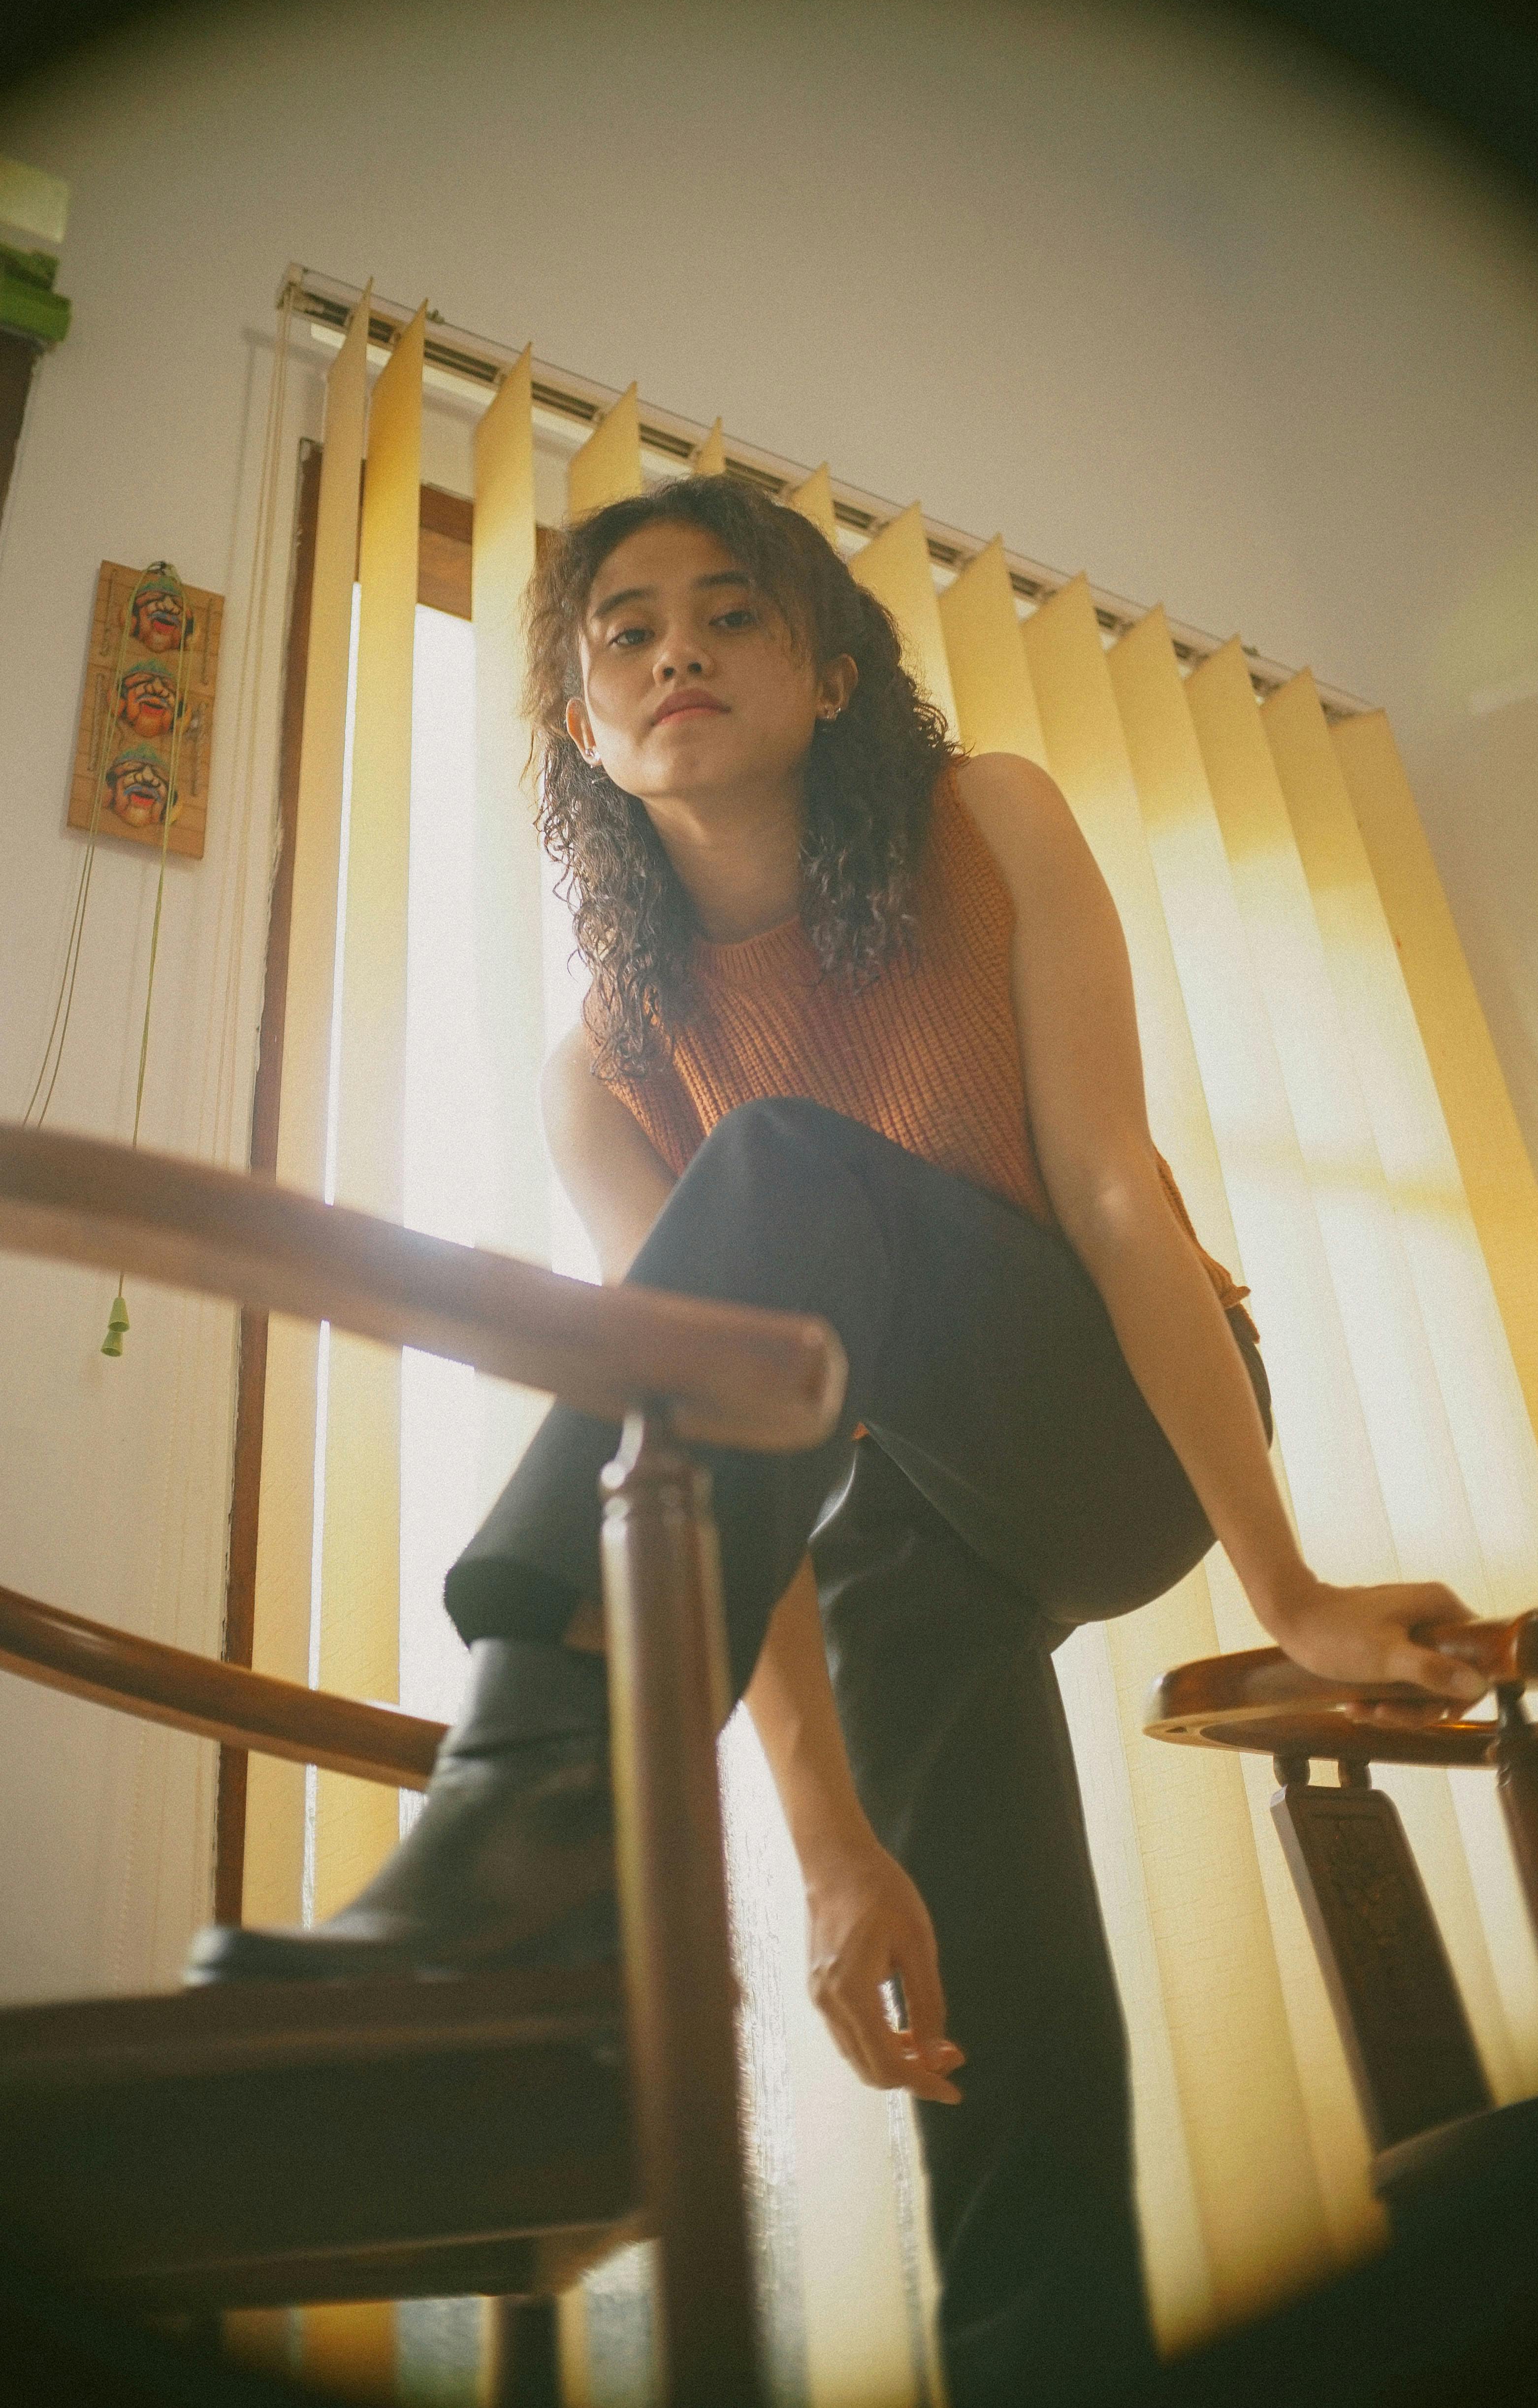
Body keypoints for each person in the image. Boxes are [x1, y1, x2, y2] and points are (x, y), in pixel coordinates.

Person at [189, 474, 1488, 2405]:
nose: (674, 651)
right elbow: (715, 1456)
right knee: (993, 2042)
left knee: (780, 1169)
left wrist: (1283, 1586)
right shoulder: (599, 1065)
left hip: (1117, 1406)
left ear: (828, 672)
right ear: (577, 723)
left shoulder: (990, 821)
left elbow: (1114, 1193)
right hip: (904, 1514)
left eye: (730, 614)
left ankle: (519, 1815)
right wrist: (825, 1842)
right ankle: (547, 1844)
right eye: (622, 631)